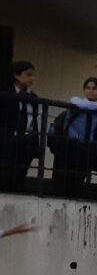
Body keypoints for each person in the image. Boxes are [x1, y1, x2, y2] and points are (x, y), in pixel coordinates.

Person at [1, 61, 40, 190]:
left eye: (33, 75)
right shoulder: (6, 94)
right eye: (28, 75)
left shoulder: (33, 97)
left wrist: (34, 143)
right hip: (8, 139)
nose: (32, 78)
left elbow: (33, 120)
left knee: (20, 176)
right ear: (16, 75)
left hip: (26, 140)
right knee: (5, 174)